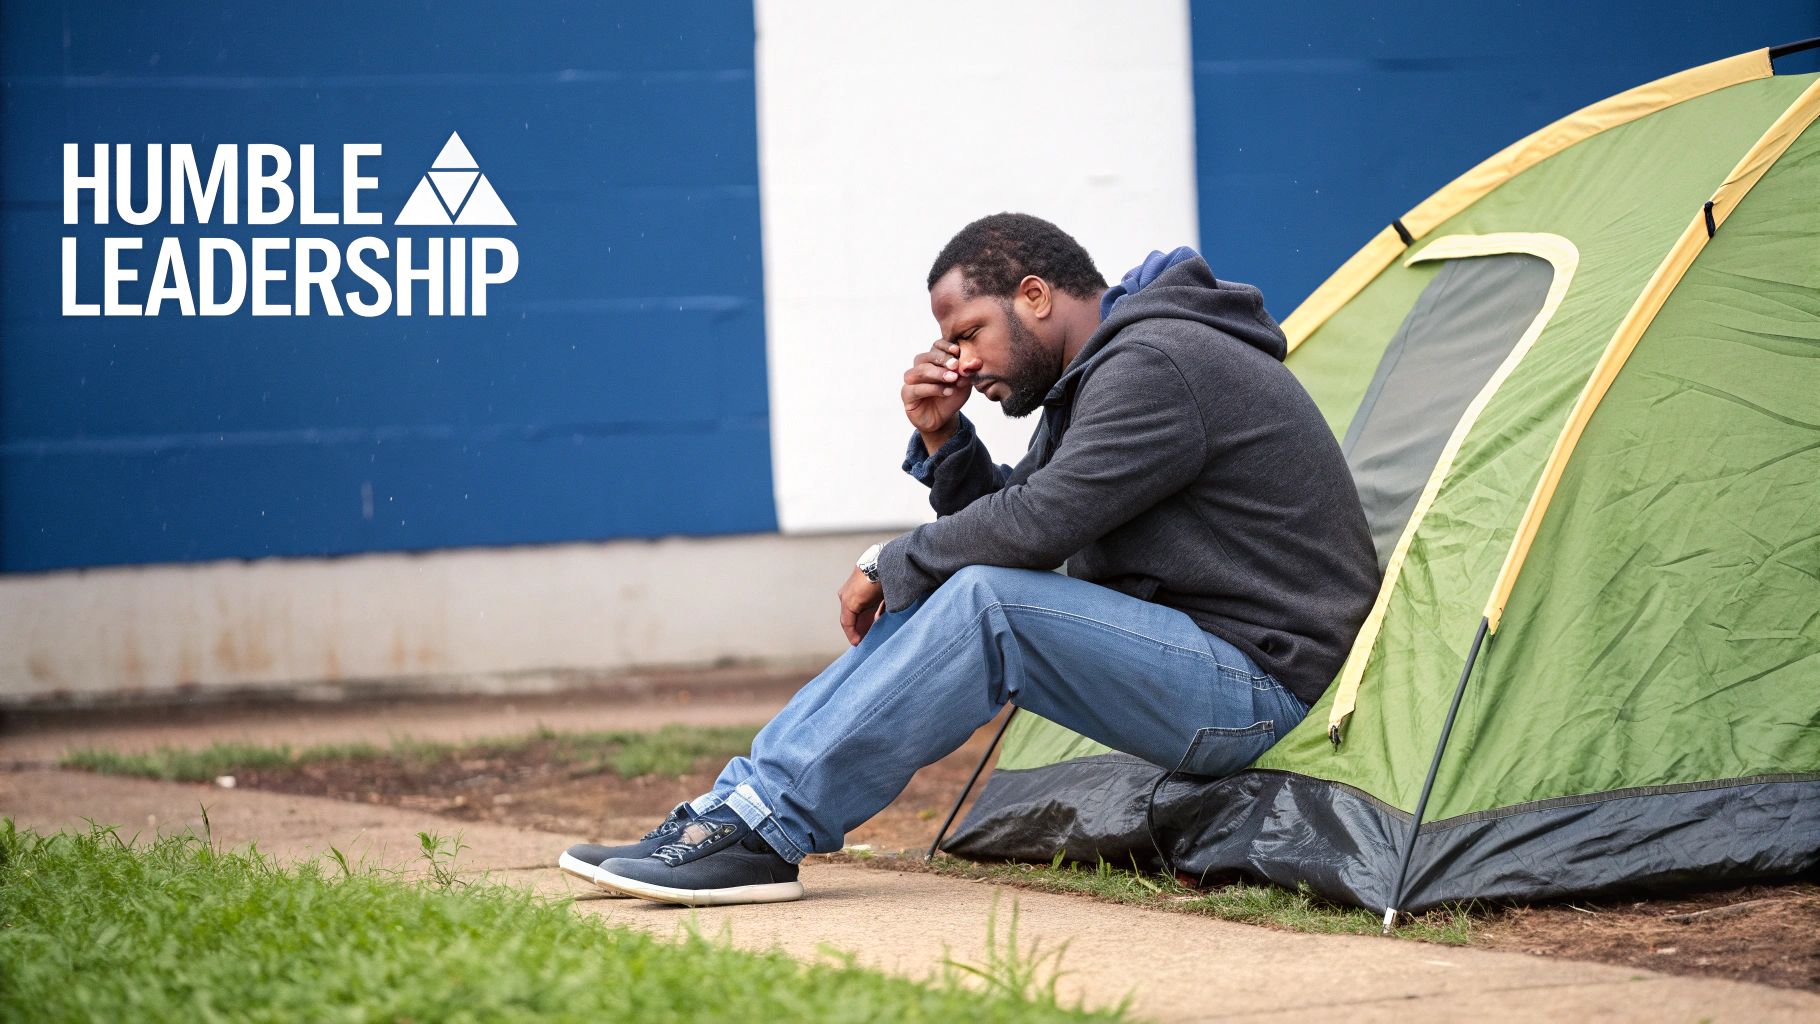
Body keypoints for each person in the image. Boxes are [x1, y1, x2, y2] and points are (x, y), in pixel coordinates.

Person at [558, 213, 1379, 906]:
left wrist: (889, 561)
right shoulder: (1106, 373)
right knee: (965, 582)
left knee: (982, 597)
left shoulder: (1158, 364)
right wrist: (943, 438)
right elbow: (1013, 526)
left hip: (1259, 689)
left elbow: (1032, 531)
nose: (962, 361)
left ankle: (761, 825)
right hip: (1205, 666)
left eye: (968, 333)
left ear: (1034, 295)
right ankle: (738, 809)